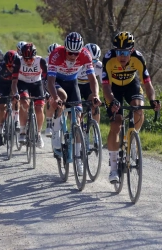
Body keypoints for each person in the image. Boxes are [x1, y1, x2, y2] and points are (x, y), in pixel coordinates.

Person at [102, 31, 161, 183]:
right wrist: (113, 101)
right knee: (116, 123)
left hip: (131, 86)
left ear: (132, 51)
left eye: (125, 52)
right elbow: (106, 88)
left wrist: (153, 100)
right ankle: (114, 168)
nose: (121, 56)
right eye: (118, 52)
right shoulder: (108, 59)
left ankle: (132, 139)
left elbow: (147, 84)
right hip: (113, 90)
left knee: (139, 110)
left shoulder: (138, 58)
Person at [47, 32, 101, 176]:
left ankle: (78, 159)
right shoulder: (56, 55)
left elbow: (93, 79)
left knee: (77, 117)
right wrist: (55, 97)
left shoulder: (85, 55)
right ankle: (56, 133)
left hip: (72, 82)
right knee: (61, 98)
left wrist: (95, 95)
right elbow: (50, 82)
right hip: (57, 81)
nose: (73, 56)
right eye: (70, 53)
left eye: (76, 53)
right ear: (65, 49)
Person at [11, 43, 47, 148]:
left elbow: (47, 79)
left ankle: (39, 134)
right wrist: (16, 93)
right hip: (23, 84)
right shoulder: (18, 61)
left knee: (40, 108)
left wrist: (48, 92)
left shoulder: (41, 61)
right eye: (25, 59)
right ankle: (22, 131)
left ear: (34, 56)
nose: (27, 62)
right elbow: (14, 82)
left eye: (30, 59)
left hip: (37, 84)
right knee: (24, 102)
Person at [0, 50, 20, 146]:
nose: (11, 68)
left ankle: (16, 121)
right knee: (1, 108)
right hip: (2, 86)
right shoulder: (1, 67)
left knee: (16, 98)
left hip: (14, 85)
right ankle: (0, 133)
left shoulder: (19, 66)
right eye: (8, 66)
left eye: (13, 66)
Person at [77, 43, 103, 123]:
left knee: (95, 104)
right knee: (77, 108)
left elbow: (105, 84)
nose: (93, 63)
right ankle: (77, 128)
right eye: (91, 60)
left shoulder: (99, 66)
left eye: (95, 60)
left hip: (89, 85)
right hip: (76, 85)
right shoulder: (77, 64)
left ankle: (96, 131)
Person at [45, 43, 61, 137]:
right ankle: (49, 122)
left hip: (59, 80)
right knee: (50, 98)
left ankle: (60, 119)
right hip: (49, 80)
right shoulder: (46, 61)